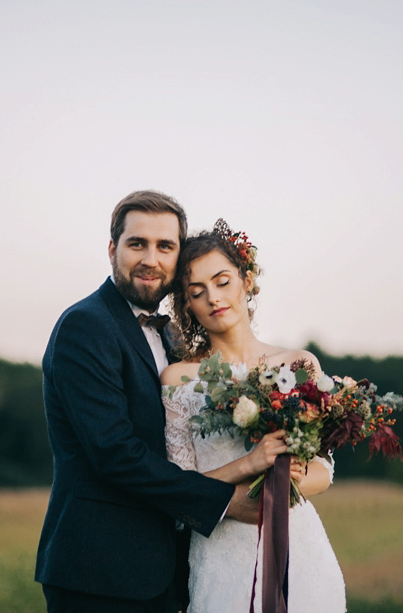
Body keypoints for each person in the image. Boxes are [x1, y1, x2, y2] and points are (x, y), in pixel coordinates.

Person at [35, 191, 286, 613]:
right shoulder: (86, 325)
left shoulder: (169, 337)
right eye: (137, 244)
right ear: (113, 249)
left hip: (169, 571)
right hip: (100, 573)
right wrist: (226, 499)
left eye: (165, 246)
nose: (151, 259)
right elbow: (115, 453)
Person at [160, 224, 347, 613]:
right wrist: (250, 464)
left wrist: (283, 485)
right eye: (197, 292)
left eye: (222, 281)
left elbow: (323, 471)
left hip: (299, 551)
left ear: (246, 282)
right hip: (221, 555)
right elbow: (178, 488)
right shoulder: (178, 379)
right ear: (188, 305)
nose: (213, 298)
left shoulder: (298, 364)